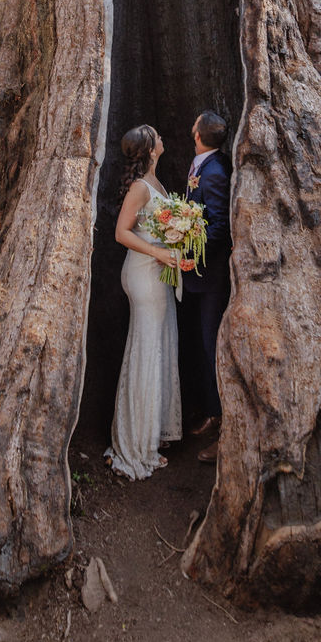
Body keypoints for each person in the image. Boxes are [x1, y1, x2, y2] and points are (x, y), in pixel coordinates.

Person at [106, 124, 183, 480]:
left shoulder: (156, 183)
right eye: (158, 136)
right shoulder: (139, 188)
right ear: (151, 150)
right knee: (147, 351)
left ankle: (152, 431)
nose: (163, 138)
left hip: (159, 271)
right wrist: (157, 251)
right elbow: (122, 232)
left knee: (159, 346)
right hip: (144, 274)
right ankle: (138, 445)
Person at [184, 110, 232, 463]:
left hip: (209, 276)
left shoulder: (214, 173)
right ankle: (212, 413)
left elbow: (218, 228)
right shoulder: (202, 165)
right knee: (201, 344)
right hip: (197, 276)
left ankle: (225, 424)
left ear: (198, 134)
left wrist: (189, 254)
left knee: (212, 343)